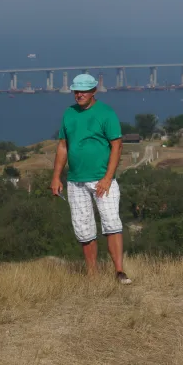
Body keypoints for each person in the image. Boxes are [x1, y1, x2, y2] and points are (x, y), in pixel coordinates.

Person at [51, 74, 132, 284]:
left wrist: (107, 178)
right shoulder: (69, 114)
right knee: (83, 228)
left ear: (94, 91)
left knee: (112, 223)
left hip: (102, 180)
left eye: (84, 90)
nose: (79, 94)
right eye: (76, 91)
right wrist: (56, 177)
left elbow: (117, 145)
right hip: (75, 181)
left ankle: (119, 272)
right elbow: (63, 146)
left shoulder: (106, 113)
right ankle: (92, 275)